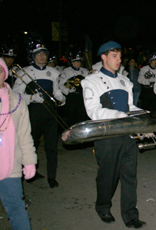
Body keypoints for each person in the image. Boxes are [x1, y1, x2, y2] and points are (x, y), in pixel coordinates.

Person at [81, 41, 146, 228]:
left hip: (127, 135)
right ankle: (102, 206)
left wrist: (144, 116)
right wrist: (120, 115)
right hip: (106, 136)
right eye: (114, 56)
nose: (119, 60)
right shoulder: (90, 81)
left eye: (120, 56)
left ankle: (130, 215)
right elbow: (93, 111)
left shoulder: (125, 81)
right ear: (103, 57)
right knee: (107, 176)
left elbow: (130, 107)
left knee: (129, 175)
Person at [13, 38, 66, 188]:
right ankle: (26, 174)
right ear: (33, 56)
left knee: (51, 147)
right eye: (38, 54)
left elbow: (55, 90)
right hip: (33, 113)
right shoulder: (24, 72)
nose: (42, 56)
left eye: (44, 53)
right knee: (31, 145)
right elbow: (15, 94)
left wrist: (60, 96)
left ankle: (51, 177)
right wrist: (31, 97)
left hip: (50, 113)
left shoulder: (54, 72)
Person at [0, 58, 37, 230]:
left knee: (16, 208)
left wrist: (29, 162)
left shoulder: (18, 101)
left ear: (5, 74)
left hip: (10, 166)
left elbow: (25, 136)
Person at [59, 49, 90, 127]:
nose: (79, 63)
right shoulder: (66, 71)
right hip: (72, 97)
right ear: (72, 62)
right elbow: (60, 85)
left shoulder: (85, 71)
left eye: (79, 61)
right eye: (76, 61)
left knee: (83, 117)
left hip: (82, 97)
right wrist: (68, 91)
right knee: (72, 119)